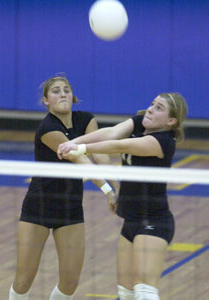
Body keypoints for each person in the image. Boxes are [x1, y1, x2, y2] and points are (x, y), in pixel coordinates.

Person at [57, 93, 188, 300]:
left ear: (171, 121)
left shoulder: (162, 142)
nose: (151, 109)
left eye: (159, 108)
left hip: (154, 222)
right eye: (152, 103)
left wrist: (81, 148)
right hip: (130, 221)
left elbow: (119, 145)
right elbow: (111, 133)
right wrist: (74, 141)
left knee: (144, 290)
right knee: (125, 293)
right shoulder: (139, 123)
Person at [9, 75, 118, 300]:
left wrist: (117, 188)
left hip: (70, 208)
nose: (62, 94)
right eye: (56, 91)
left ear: (73, 96)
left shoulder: (86, 120)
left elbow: (99, 154)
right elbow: (79, 159)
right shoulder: (47, 128)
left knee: (70, 282)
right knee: (23, 279)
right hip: (38, 208)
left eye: (66, 90)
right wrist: (106, 190)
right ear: (46, 101)